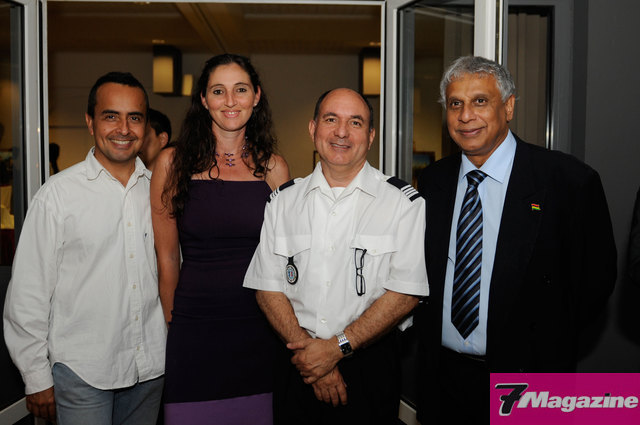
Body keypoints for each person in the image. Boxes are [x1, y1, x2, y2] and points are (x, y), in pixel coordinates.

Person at [415, 55, 616, 424]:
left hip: (528, 378)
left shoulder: (568, 181)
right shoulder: (433, 181)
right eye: (455, 104)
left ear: (508, 107)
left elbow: (595, 283)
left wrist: (543, 345)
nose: (465, 116)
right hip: (442, 380)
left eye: (480, 101)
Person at [244, 88, 428, 425]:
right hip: (296, 363)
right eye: (331, 120)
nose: (341, 132)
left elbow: (405, 294)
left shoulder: (403, 204)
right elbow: (267, 287)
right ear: (313, 129)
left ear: (370, 136)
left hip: (369, 367)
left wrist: (334, 349)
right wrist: (310, 354)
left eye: (355, 122)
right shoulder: (282, 202)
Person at [3, 71, 166, 424]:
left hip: (151, 368)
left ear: (146, 126)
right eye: (111, 116)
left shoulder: (159, 193)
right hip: (83, 373)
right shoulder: (58, 196)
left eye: (134, 117)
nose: (124, 129)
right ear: (91, 122)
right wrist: (36, 377)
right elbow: (28, 293)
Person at [151, 54, 290, 424]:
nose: (230, 101)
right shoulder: (172, 162)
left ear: (256, 96)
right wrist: (175, 323)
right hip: (193, 327)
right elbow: (167, 257)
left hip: (259, 327)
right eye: (218, 91)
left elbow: (284, 259)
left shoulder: (275, 167)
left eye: (240, 90)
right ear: (203, 99)